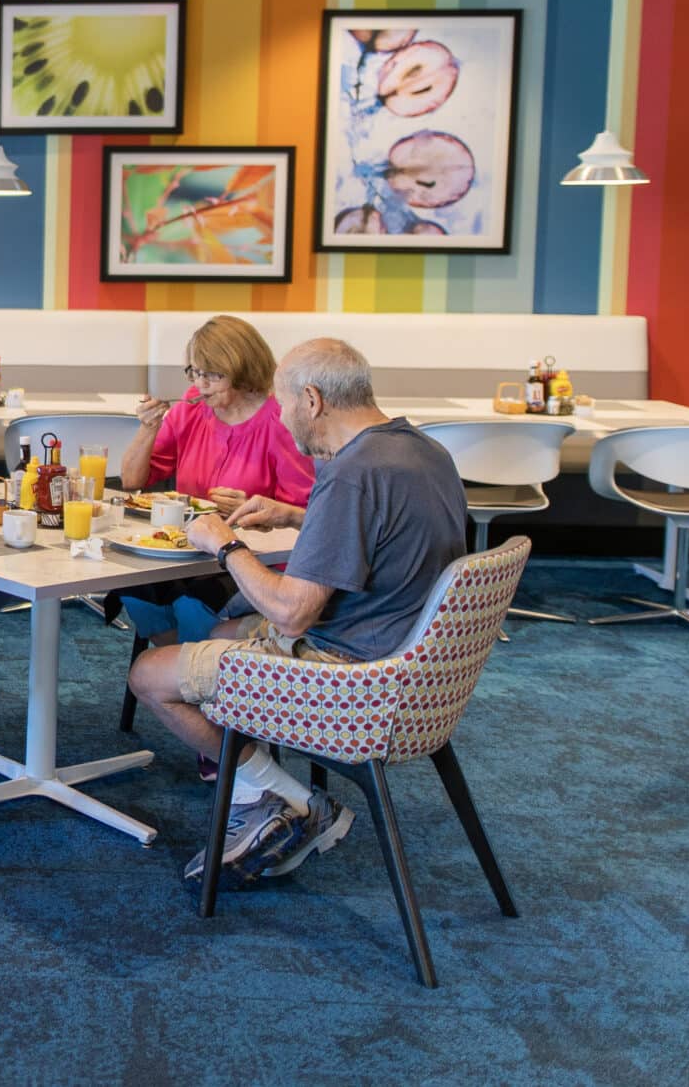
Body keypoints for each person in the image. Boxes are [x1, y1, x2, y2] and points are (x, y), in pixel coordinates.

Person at [126, 337, 469, 889]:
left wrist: (224, 544)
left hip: (353, 676)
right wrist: (292, 513)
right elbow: (380, 528)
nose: (281, 419)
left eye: (283, 404)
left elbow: (292, 616)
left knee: (148, 674)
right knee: (223, 629)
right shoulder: (424, 451)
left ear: (312, 399)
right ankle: (259, 788)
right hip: (417, 663)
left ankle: (291, 799)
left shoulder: (350, 472)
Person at [116, 317, 315, 775]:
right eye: (195, 372)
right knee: (135, 591)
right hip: (187, 551)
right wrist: (147, 429)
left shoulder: (278, 420)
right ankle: (197, 699)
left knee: (193, 607)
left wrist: (251, 505)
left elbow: (306, 510)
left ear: (242, 371)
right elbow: (132, 481)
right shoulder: (191, 407)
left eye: (213, 375)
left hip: (255, 561)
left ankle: (214, 716)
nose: (201, 385)